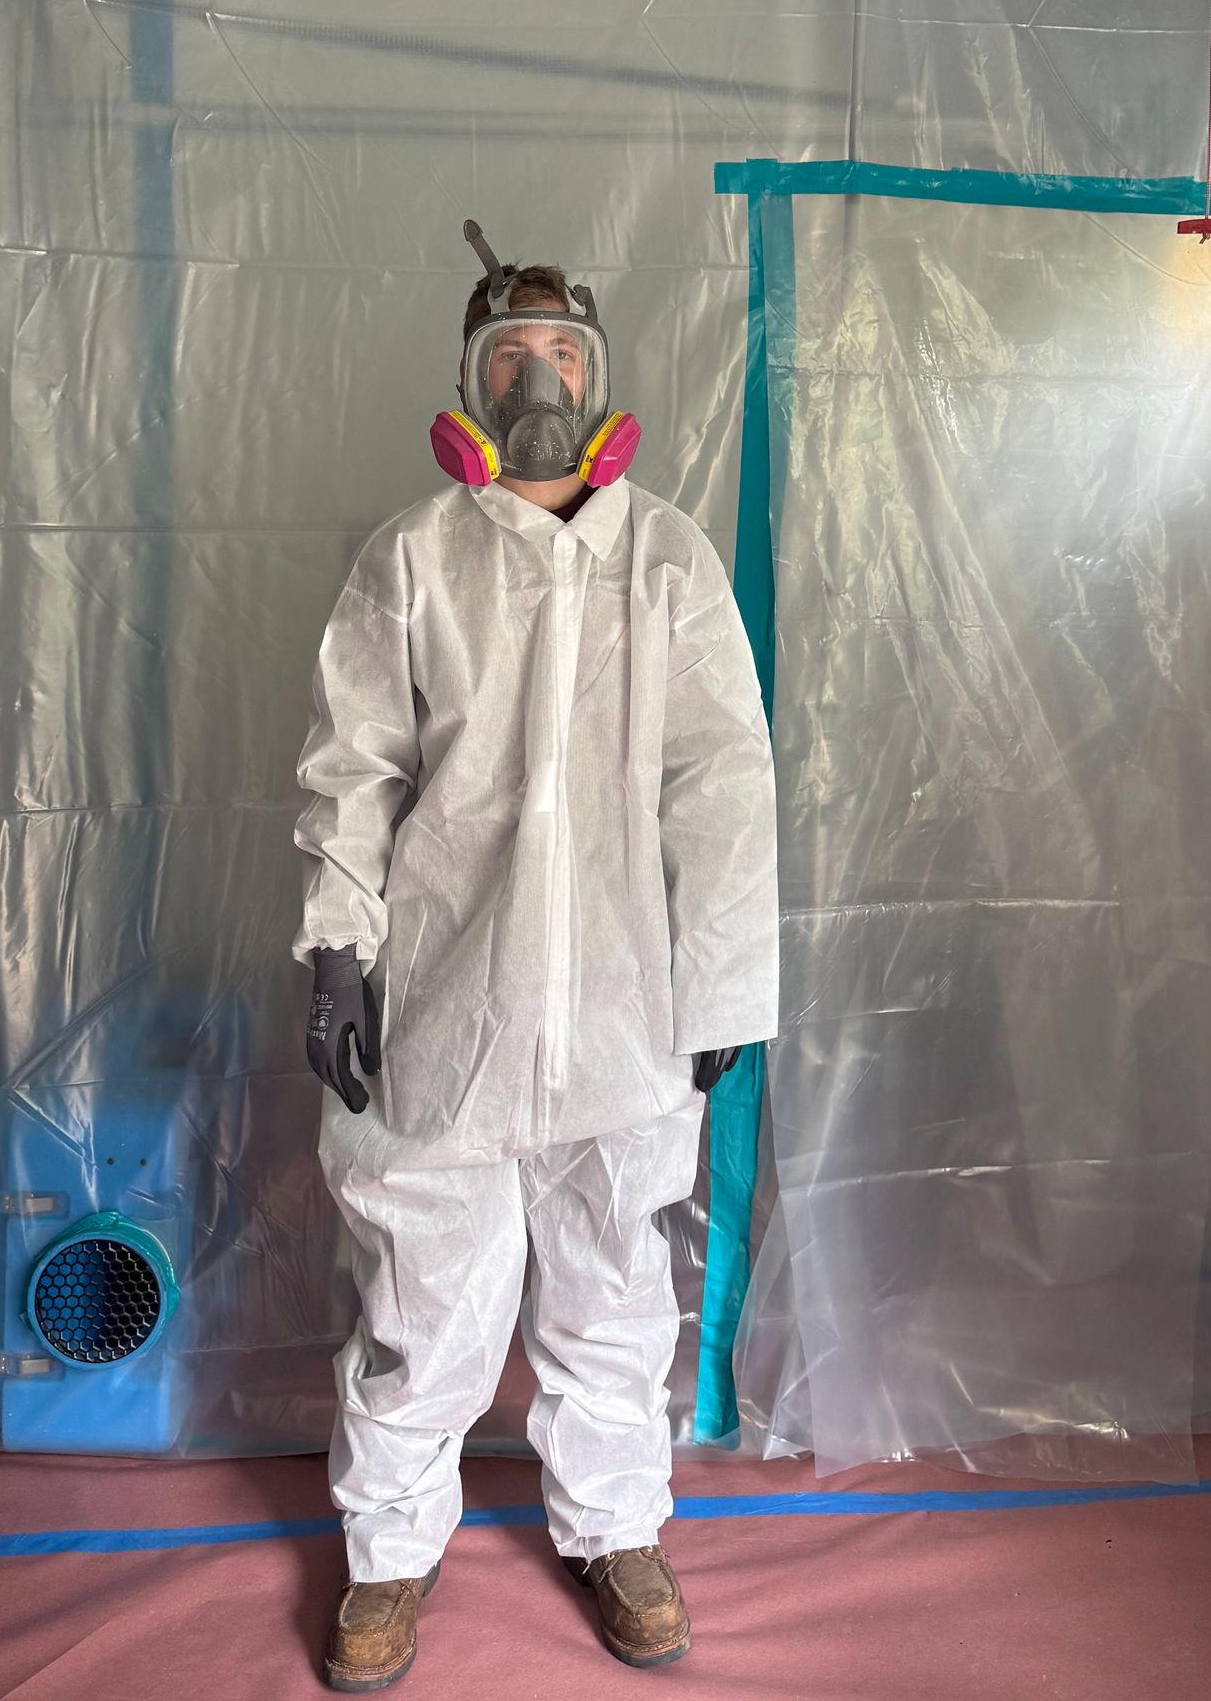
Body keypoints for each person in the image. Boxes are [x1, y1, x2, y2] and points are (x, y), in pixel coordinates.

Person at [296, 225, 779, 1693]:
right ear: (469, 384)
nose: (538, 379)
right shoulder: (415, 557)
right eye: (509, 356)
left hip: (625, 1008)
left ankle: (618, 1531)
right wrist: (337, 948)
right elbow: (355, 769)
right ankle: (388, 1553)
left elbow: (722, 781)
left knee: (614, 1289)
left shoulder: (668, 556)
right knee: (422, 1296)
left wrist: (726, 981)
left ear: (602, 377)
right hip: (449, 997)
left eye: (563, 354)